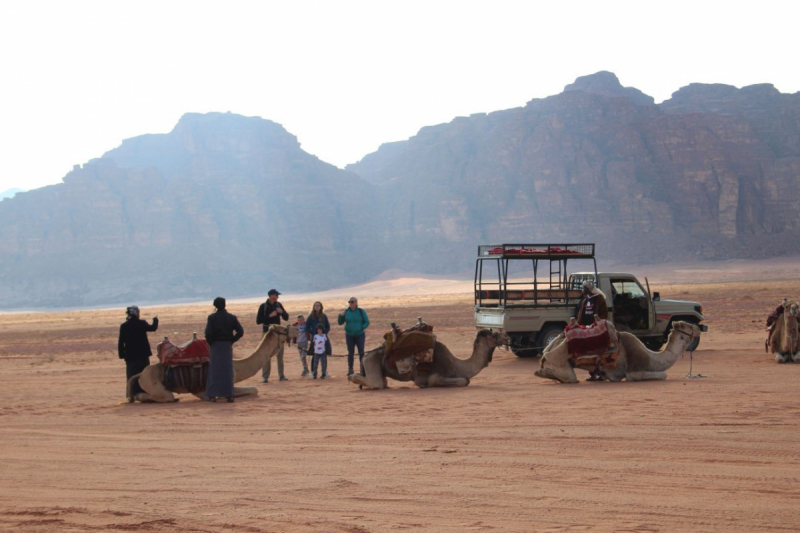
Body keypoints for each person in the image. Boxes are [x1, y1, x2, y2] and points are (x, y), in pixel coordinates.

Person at [204, 297, 244, 403]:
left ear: (215, 306)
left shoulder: (212, 318)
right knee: (227, 371)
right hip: (227, 347)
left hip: (216, 347)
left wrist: (211, 343)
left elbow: (208, 334)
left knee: (214, 371)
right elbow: (240, 331)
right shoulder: (231, 317)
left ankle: (212, 395)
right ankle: (229, 395)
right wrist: (231, 340)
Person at [118, 306, 158, 391]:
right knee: (144, 375)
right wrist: (155, 320)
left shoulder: (124, 326)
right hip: (142, 355)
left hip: (130, 356)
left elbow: (121, 342)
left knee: (131, 376)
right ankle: (145, 392)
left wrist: (122, 355)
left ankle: (131, 393)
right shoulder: (141, 323)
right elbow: (153, 328)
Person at [576, 281, 609, 382]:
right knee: (590, 353)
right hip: (588, 331)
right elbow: (581, 316)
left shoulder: (599, 299)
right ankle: (593, 373)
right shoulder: (585, 301)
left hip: (597, 331)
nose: (582, 290)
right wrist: (579, 327)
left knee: (599, 352)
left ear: (588, 289)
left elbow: (604, 314)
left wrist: (597, 325)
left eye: (584, 288)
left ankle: (602, 373)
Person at [256, 289, 289, 383]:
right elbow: (258, 321)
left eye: (277, 296)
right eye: (275, 295)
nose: (277, 297)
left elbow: (286, 317)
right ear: (270, 296)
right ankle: (265, 376)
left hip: (278, 334)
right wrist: (270, 316)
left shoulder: (278, 305)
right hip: (267, 333)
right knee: (266, 355)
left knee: (280, 355)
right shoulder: (263, 306)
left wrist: (281, 312)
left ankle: (281, 375)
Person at [338, 297, 370, 376]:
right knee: (350, 352)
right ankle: (350, 369)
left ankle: (363, 369)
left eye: (352, 302)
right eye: (349, 302)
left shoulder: (361, 311)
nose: (351, 303)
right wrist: (340, 316)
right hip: (349, 335)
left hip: (360, 335)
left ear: (356, 302)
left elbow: (367, 322)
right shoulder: (346, 312)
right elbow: (340, 322)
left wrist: (362, 327)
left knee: (361, 352)